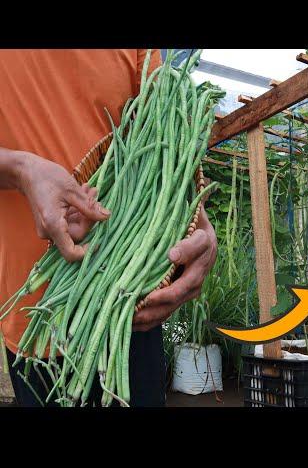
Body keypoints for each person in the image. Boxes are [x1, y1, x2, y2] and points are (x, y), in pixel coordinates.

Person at [0, 49, 218, 407]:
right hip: (38, 323)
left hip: (132, 304)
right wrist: (20, 169)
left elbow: (161, 139)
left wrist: (199, 226)